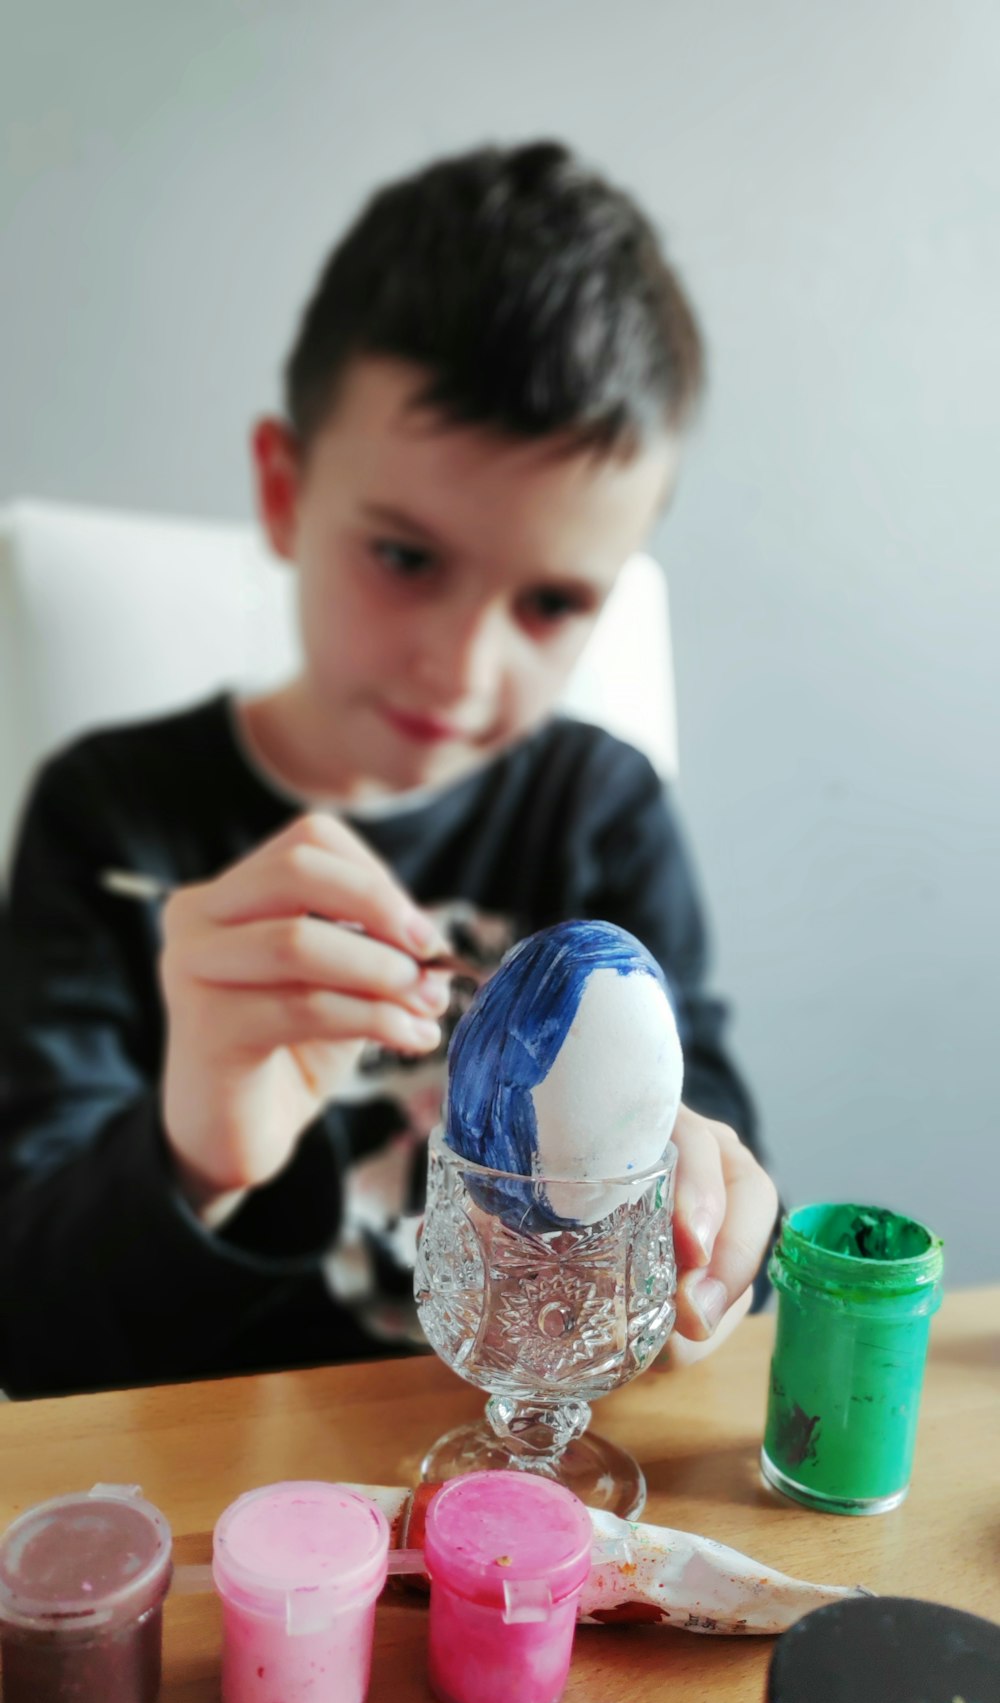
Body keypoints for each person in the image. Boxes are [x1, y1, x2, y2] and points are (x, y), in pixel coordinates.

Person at [0, 140, 778, 1399]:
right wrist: (192, 1150)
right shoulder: (111, 816)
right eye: (407, 558)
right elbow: (35, 1339)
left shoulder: (601, 812)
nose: (462, 672)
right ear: (283, 488)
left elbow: (735, 1257)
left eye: (550, 601)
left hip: (530, 1505)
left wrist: (700, 1232)